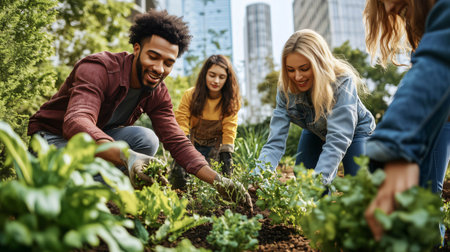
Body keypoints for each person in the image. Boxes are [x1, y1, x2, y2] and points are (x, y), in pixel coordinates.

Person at [27, 9, 252, 210]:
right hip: (52, 139)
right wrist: (125, 155)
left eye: (168, 63)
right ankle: (68, 187)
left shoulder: (157, 91)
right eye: (153, 57)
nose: (159, 69)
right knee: (119, 155)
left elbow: (177, 140)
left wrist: (219, 181)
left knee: (146, 139)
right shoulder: (99, 68)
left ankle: (96, 191)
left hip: (97, 144)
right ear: (137, 49)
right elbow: (76, 121)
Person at [363, 0, 450, 241]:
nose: (389, 8)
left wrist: (396, 147)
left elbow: (439, 60)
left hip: (440, 119)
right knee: (418, 187)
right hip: (435, 117)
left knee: (430, 189)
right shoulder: (423, 25)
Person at [256, 29, 376, 185]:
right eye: (291, 70)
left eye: (304, 68)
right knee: (304, 178)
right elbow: (275, 142)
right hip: (316, 132)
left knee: (359, 183)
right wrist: (258, 175)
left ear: (319, 63)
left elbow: (338, 138)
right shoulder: (285, 90)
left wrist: (318, 183)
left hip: (355, 132)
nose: (297, 77)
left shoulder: (342, 83)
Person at [170, 55, 241, 188]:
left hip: (215, 148)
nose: (216, 81)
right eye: (212, 75)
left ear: (227, 79)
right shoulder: (190, 95)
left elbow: (229, 128)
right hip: (192, 144)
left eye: (221, 77)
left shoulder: (231, 101)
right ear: (205, 75)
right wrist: (182, 149)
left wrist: (226, 154)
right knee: (180, 182)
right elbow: (182, 119)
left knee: (211, 183)